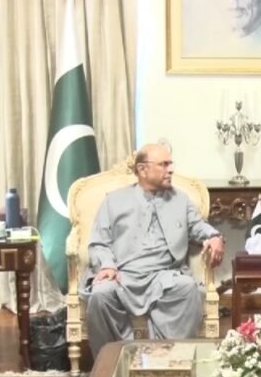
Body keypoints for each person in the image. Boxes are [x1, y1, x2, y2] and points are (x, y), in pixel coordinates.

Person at [84, 143, 225, 355]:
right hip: (122, 274)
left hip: (165, 275)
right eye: (164, 164)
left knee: (187, 288)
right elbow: (99, 242)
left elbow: (198, 226)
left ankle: (170, 358)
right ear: (142, 169)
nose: (171, 169)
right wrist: (107, 265)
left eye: (170, 164)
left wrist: (214, 236)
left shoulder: (181, 199)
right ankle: (115, 359)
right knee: (100, 295)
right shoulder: (113, 201)